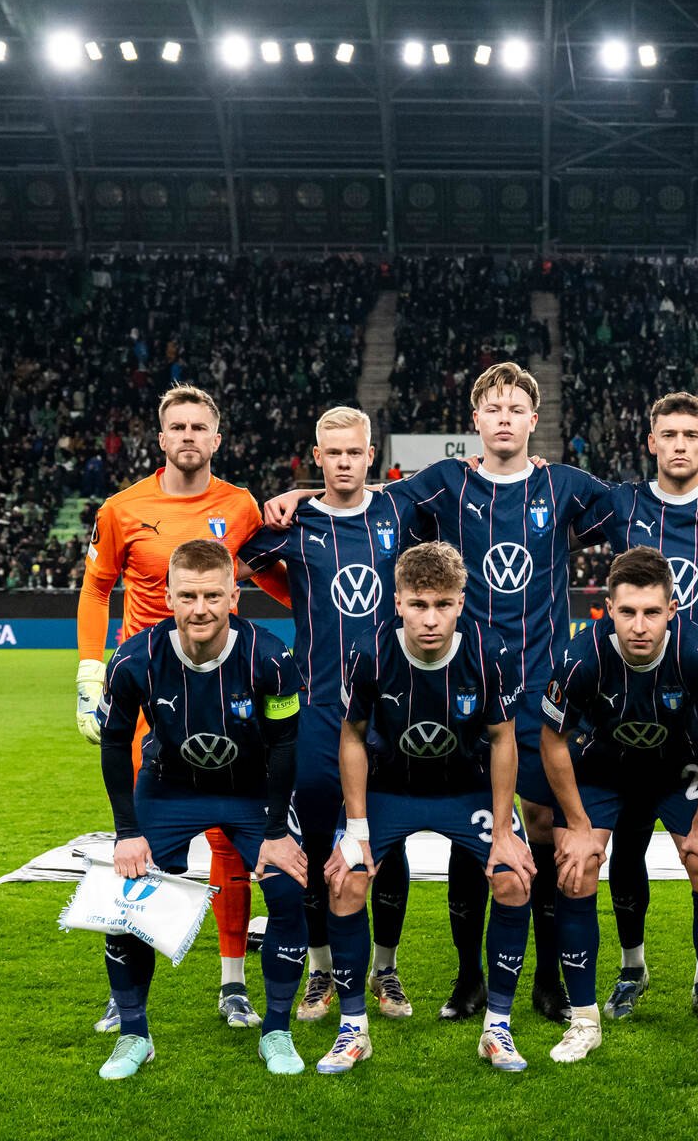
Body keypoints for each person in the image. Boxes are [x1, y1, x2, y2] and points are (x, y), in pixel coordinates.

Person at [263, 362, 698, 1024]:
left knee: (545, 830)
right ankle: (468, 980)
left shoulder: (567, 485)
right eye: (492, 409)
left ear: (532, 420)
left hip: (545, 694)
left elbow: (648, 503)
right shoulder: (447, 483)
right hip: (465, 689)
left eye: (516, 409)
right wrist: (298, 493)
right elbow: (363, 499)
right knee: (475, 832)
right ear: (476, 422)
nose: (504, 419)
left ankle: (548, 980)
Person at [74, 385, 292, 1033]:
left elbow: (268, 575)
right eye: (178, 426)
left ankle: (232, 983)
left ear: (216, 440)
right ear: (162, 438)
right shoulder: (122, 508)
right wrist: (91, 670)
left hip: (227, 696)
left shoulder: (240, 505)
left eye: (200, 426)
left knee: (232, 839)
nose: (189, 435)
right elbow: (96, 586)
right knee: (139, 840)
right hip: (152, 700)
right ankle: (127, 991)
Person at [571, 391, 698, 1021]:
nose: (680, 444)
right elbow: (543, 516)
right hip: (625, 710)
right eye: (669, 434)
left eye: (692, 435)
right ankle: (633, 968)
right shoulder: (622, 504)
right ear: (651, 442)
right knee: (624, 852)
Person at [94, 538, 310, 1080]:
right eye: (188, 595)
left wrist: (279, 830)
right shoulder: (133, 658)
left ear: (233, 595)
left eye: (213, 595)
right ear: (168, 596)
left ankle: (277, 1030)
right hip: (168, 791)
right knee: (127, 902)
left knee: (287, 887)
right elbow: (115, 744)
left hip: (251, 792)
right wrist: (127, 833)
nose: (200, 609)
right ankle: (133, 1036)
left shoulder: (270, 655)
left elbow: (286, 745)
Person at [239, 406, 426, 1025]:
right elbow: (242, 561)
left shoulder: (399, 510)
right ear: (316, 458)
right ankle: (321, 970)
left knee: (387, 841)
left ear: (371, 455)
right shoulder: (297, 523)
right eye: (332, 453)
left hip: (389, 710)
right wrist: (299, 591)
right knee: (318, 842)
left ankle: (386, 966)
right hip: (319, 708)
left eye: (355, 452)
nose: (344, 462)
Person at [321, 542, 537, 1073]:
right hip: (391, 788)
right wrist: (355, 828)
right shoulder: (369, 652)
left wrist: (506, 828)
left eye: (443, 604)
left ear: (462, 602)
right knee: (347, 878)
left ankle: (498, 1029)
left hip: (465, 790)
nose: (431, 618)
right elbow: (352, 737)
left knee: (513, 877)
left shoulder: (490, 652)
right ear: (396, 602)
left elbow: (504, 739)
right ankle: (354, 1030)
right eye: (418, 604)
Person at [540, 548, 698, 1064]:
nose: (639, 625)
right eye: (627, 611)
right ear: (608, 607)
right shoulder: (579, 657)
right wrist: (581, 826)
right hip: (607, 765)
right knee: (576, 866)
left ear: (671, 610)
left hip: (681, 766)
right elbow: (553, 741)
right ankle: (584, 1020)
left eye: (651, 612)